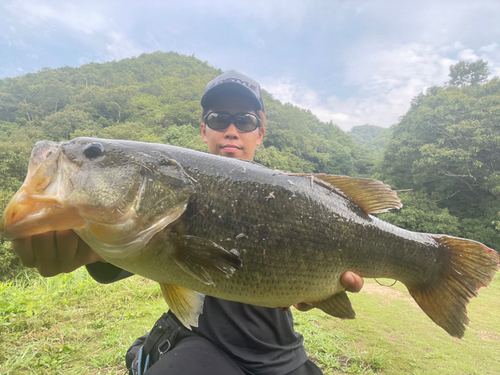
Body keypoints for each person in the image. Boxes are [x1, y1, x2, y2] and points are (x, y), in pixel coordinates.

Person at [12, 70, 364, 375]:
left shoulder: (291, 193)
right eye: (217, 119)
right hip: (205, 345)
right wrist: (90, 247)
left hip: (280, 353)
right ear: (203, 129)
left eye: (244, 121)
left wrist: (317, 287)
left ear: (260, 132)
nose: (230, 130)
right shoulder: (171, 189)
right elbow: (118, 256)